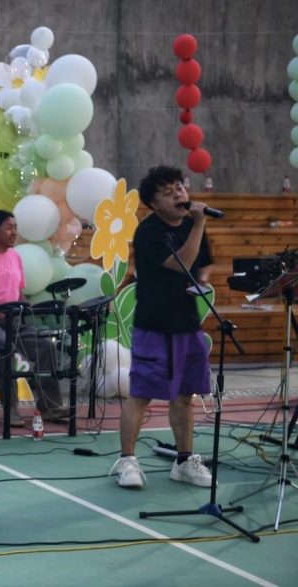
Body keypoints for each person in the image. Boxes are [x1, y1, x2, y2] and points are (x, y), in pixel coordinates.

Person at [111, 165, 214, 489]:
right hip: (155, 325)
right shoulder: (149, 232)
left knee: (184, 396)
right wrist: (199, 224)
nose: (178, 194)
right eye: (168, 193)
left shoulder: (193, 225)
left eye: (179, 188)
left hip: (187, 324)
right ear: (154, 204)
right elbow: (181, 263)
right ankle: (127, 461)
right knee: (141, 394)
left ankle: (184, 461)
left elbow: (202, 264)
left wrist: (202, 282)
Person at [0, 210, 68, 427]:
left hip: (13, 321)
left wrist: (28, 307)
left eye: (15, 228)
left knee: (46, 347)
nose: (14, 233)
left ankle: (50, 407)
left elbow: (17, 292)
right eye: (9, 228)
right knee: (4, 347)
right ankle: (10, 410)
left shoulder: (15, 256)